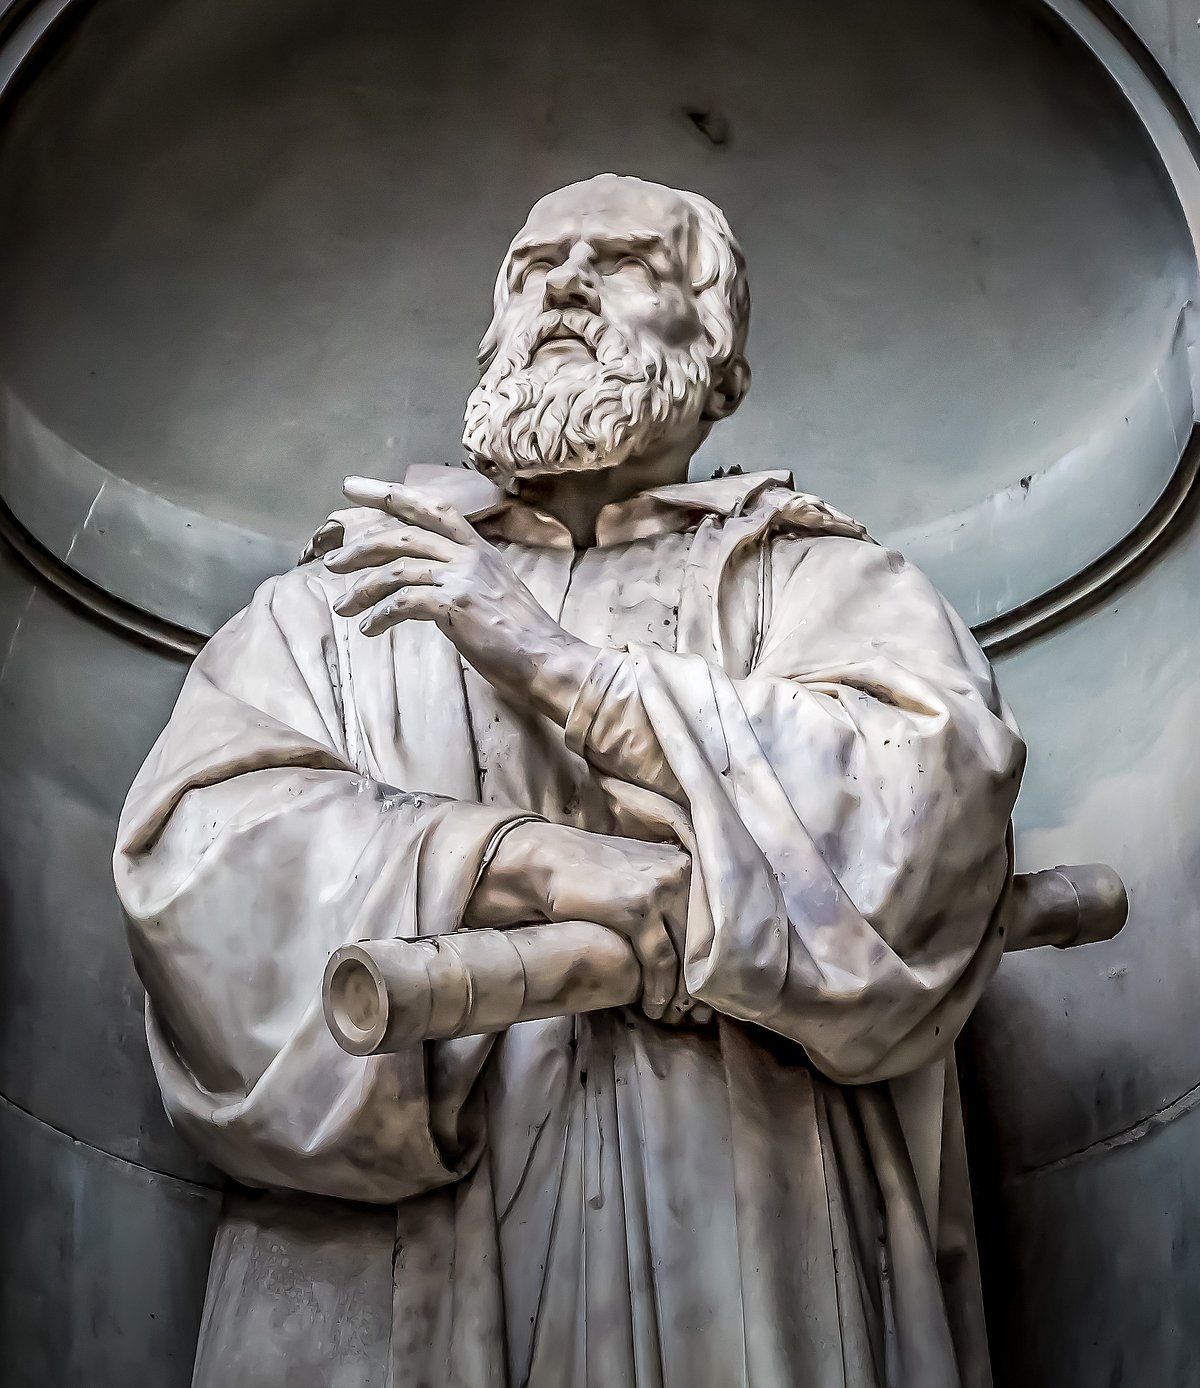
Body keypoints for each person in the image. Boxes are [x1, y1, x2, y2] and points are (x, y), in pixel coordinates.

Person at [115, 174, 1024, 1388]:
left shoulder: (814, 581)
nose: (566, 284)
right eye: (537, 265)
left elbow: (930, 811)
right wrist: (522, 860)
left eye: (623, 261)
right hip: (412, 1244)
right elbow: (198, 857)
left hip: (743, 1200)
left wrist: (559, 670)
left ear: (718, 359)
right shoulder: (344, 601)